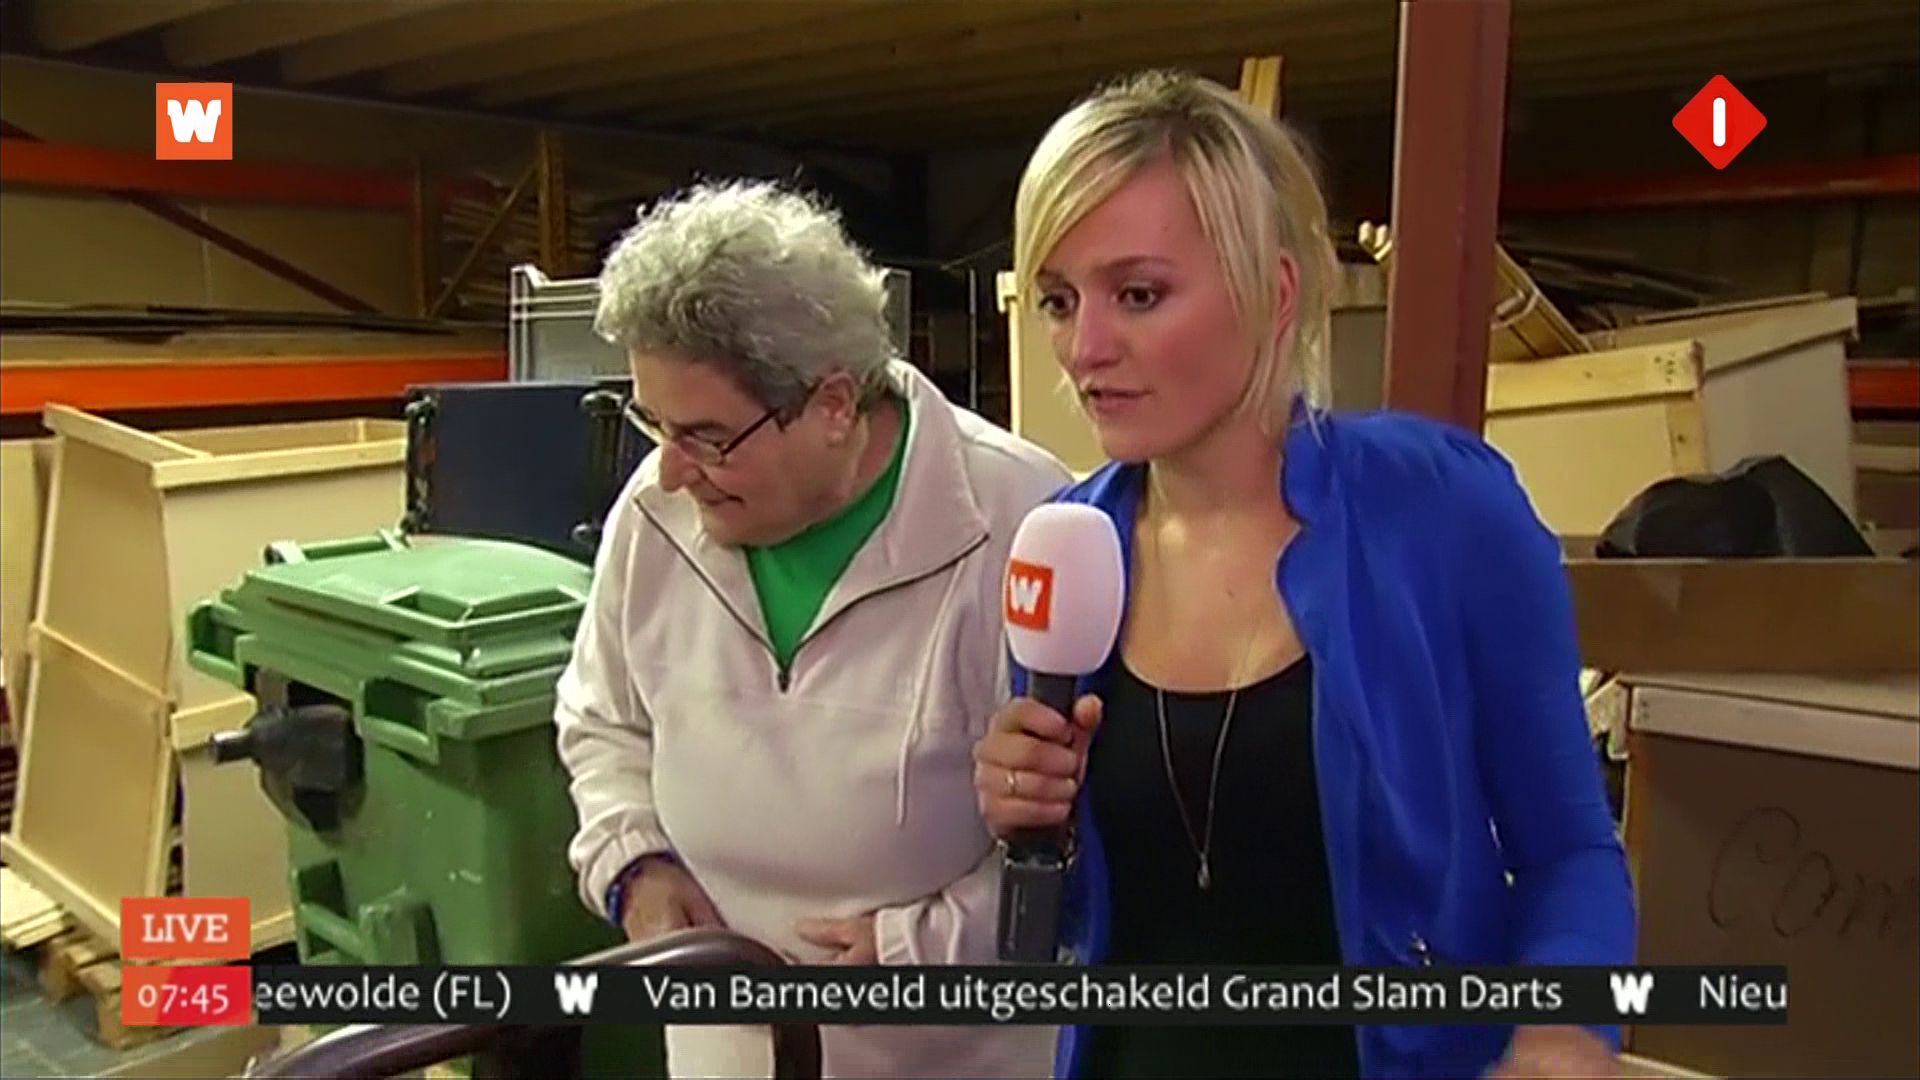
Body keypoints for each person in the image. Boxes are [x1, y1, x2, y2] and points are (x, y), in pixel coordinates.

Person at [972, 70, 1636, 1080]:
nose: (1084, 348)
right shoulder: (1070, 545)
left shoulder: (1442, 510)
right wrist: (1036, 829)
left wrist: (1564, 1032)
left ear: (1274, 292)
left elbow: (1570, 850)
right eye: (1060, 301)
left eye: (1138, 294)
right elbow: (1088, 923)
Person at [555, 178, 1067, 1079]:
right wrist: (635, 864)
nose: (670, 471)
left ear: (833, 405)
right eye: (655, 424)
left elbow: (1089, 829)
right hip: (725, 1051)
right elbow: (601, 719)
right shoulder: (656, 515)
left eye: (707, 436)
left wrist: (921, 949)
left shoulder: (1023, 523)